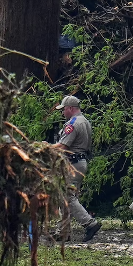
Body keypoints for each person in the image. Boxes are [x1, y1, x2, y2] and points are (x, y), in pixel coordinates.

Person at [53, 95, 102, 242]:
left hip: (72, 164)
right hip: (79, 162)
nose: (62, 113)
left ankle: (90, 224)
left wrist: (44, 147)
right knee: (66, 197)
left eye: (63, 109)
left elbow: (62, 146)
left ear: (70, 108)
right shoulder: (85, 121)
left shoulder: (73, 123)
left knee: (67, 196)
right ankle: (63, 231)